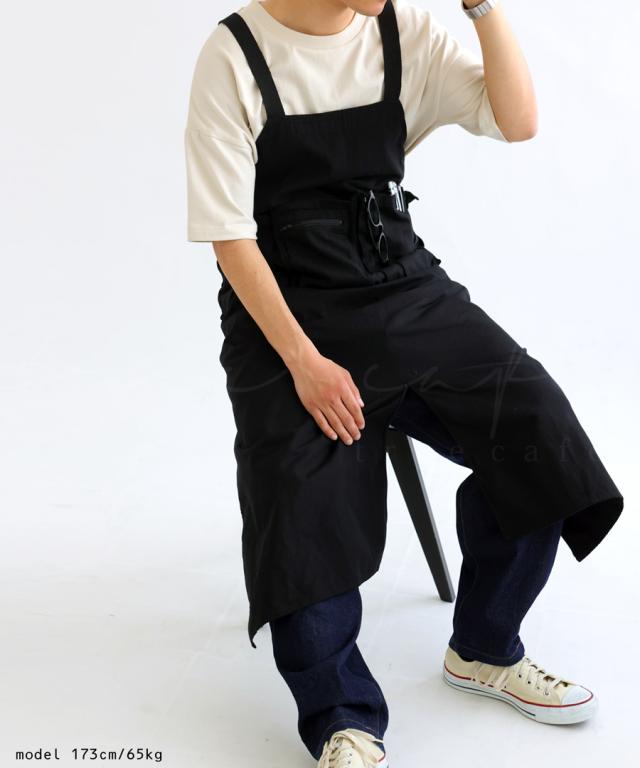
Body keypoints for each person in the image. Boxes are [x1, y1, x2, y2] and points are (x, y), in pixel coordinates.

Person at [184, 1, 624, 765]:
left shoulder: (403, 32)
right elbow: (230, 236)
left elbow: (517, 121)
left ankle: (484, 647)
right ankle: (341, 718)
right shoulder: (236, 55)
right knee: (305, 507)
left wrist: (481, 6)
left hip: (399, 284)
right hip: (284, 313)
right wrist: (305, 363)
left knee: (534, 424)